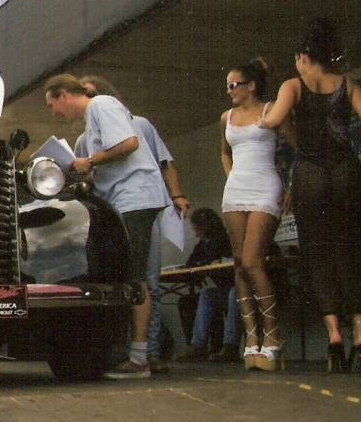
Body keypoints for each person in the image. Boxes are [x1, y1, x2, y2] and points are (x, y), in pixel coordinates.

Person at [260, 18, 361, 373]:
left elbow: (273, 121)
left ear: (304, 57)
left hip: (311, 175)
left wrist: (267, 115)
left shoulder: (294, 85)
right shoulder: (347, 85)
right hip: (347, 172)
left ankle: (334, 336)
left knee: (317, 255)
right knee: (352, 250)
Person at [45, 74, 169, 378]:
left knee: (135, 277)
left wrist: (92, 161)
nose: (55, 113)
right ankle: (135, 351)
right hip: (124, 198)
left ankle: (140, 358)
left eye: (53, 105)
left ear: (64, 95)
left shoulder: (102, 104)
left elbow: (129, 142)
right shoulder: (91, 121)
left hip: (136, 197)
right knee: (130, 275)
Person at [79, 75, 191, 373]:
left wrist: (176, 194)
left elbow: (164, 161)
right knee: (122, 278)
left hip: (137, 204)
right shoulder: (84, 138)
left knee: (145, 277)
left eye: (89, 94)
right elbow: (88, 175)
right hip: (112, 211)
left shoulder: (139, 124)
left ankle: (147, 352)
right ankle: (126, 349)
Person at [221, 57, 287, 371]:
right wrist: (232, 175)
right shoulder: (227, 117)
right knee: (238, 265)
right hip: (236, 189)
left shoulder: (271, 109)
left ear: (252, 86)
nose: (231, 90)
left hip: (265, 186)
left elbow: (296, 145)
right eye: (228, 85)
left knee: (252, 261)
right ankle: (252, 339)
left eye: (236, 84)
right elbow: (224, 150)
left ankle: (273, 339)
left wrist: (291, 187)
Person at [174, 208, 239, 362]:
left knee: (234, 293)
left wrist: (211, 262)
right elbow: (190, 264)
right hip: (224, 291)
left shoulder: (224, 239)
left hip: (240, 290)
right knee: (207, 295)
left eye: (196, 225)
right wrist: (206, 263)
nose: (193, 228)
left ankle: (230, 345)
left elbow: (223, 259)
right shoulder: (203, 244)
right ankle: (198, 345)